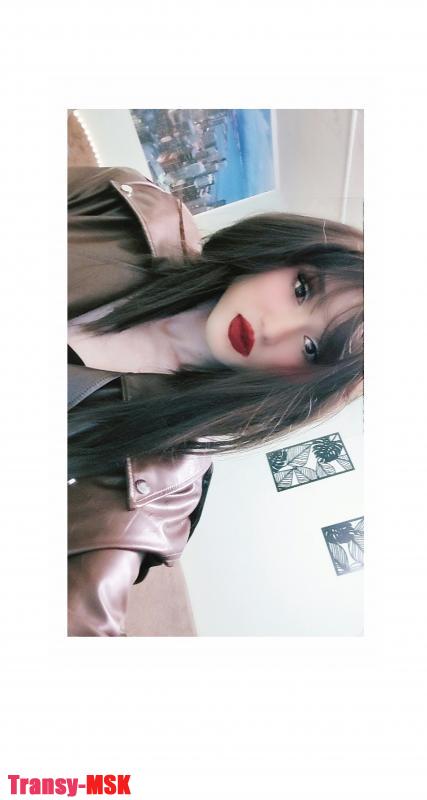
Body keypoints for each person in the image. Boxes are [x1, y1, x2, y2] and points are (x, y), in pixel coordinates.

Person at [68, 166, 363, 636]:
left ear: (301, 384)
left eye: (310, 348)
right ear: (286, 252)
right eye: (301, 289)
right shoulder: (132, 208)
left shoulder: (160, 482)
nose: (274, 329)